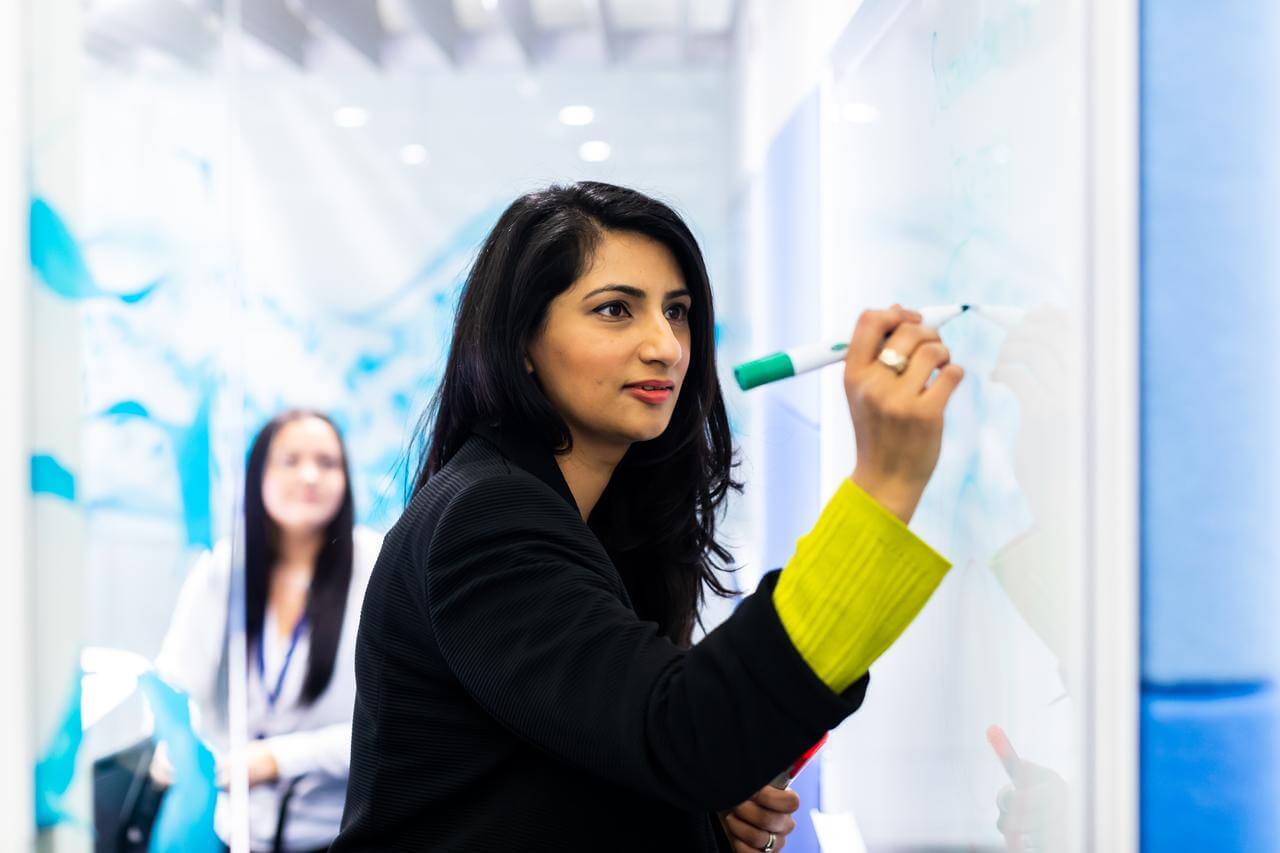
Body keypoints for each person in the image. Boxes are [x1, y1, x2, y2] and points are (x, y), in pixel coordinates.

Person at [331, 182, 964, 852]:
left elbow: (601, 754)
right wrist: (885, 484)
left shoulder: (586, 517)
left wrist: (691, 810)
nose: (665, 345)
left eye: (678, 311)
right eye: (614, 310)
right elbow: (684, 735)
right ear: (522, 341)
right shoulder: (489, 515)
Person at [153, 410, 382, 852]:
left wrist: (278, 759)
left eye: (328, 463)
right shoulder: (224, 569)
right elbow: (175, 688)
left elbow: (391, 724)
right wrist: (176, 750)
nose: (310, 475)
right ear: (257, 473)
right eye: (290, 460)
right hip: (235, 833)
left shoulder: (377, 566)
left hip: (338, 835)